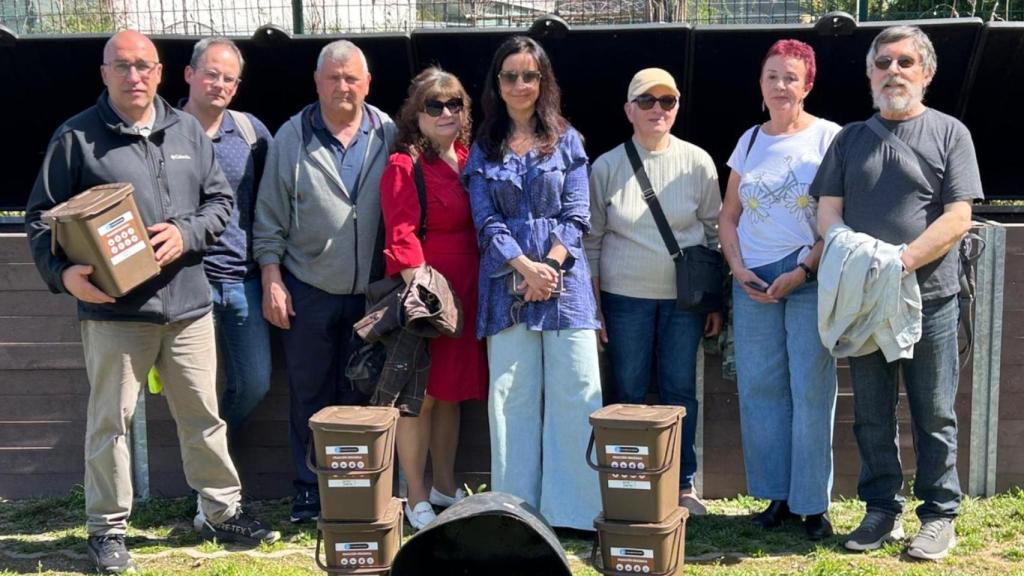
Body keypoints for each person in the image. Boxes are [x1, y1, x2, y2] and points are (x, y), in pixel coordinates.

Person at [24, 30, 279, 574]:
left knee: (204, 418)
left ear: (161, 72)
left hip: (189, 308)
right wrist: (63, 274)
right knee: (110, 424)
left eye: (143, 66)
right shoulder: (77, 138)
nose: (134, 76)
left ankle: (218, 511)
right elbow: (40, 219)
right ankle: (107, 530)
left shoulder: (187, 130)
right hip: (114, 314)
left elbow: (219, 204)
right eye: (122, 66)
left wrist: (185, 235)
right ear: (104, 73)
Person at [812, 25, 982, 560]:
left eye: (905, 63)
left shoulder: (951, 134)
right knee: (871, 413)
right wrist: (851, 253)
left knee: (934, 412)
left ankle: (938, 515)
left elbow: (959, 215)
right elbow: (826, 210)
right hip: (864, 304)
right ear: (869, 73)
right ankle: (880, 509)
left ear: (926, 74)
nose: (893, 72)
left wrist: (900, 262)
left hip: (930, 299)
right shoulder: (849, 139)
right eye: (883, 63)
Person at [253, 39, 396, 524]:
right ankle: (308, 490)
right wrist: (271, 275)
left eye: (351, 78)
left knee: (361, 394)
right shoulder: (292, 136)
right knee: (309, 395)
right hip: (307, 288)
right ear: (317, 82)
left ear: (367, 84)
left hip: (371, 294)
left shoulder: (387, 132)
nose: (342, 86)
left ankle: (354, 489)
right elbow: (269, 215)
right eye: (333, 77)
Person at [464, 35, 602, 531]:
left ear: (543, 81)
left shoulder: (568, 139)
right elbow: (485, 221)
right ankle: (516, 512)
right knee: (512, 399)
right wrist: (525, 268)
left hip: (566, 287)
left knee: (576, 392)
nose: (519, 84)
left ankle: (575, 513)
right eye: (510, 76)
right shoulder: (482, 146)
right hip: (507, 284)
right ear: (496, 84)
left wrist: (550, 269)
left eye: (529, 75)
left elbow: (577, 214)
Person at [718, 39, 840, 541]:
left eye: (791, 77)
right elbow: (728, 217)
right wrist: (738, 267)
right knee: (762, 389)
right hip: (754, 277)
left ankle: (814, 506)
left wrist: (805, 269)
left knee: (811, 390)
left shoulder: (829, 138)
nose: (781, 86)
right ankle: (777, 497)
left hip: (808, 273)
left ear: (808, 84)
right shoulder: (748, 142)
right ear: (761, 83)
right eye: (773, 76)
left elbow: (837, 219)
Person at [586, 67, 722, 517]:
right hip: (624, 299)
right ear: (629, 110)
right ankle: (630, 479)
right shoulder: (606, 166)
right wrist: (596, 305)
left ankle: (683, 484)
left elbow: (713, 234)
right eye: (647, 101)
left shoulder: (698, 162)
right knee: (626, 391)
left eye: (668, 101)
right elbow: (591, 240)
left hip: (684, 302)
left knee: (680, 391)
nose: (658, 109)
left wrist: (713, 301)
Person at [379, 67, 487, 530]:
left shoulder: (471, 156)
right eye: (434, 105)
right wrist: (425, 296)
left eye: (455, 103)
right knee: (419, 398)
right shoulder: (405, 164)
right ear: (415, 114)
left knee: (452, 394)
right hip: (432, 295)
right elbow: (400, 235)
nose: (446, 112)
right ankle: (415, 497)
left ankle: (444, 487)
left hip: (472, 288)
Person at [182, 37, 273, 437]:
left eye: (229, 79)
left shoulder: (251, 133)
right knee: (192, 388)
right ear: (189, 75)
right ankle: (208, 484)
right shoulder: (163, 134)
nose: (219, 84)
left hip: (243, 281)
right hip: (185, 281)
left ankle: (210, 461)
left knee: (255, 382)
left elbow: (273, 203)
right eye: (211, 74)